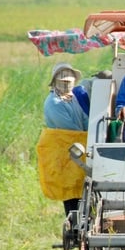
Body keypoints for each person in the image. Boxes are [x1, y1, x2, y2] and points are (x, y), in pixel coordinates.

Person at [37, 62, 90, 217]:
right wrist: (87, 135)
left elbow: (85, 120)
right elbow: (71, 130)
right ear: (55, 83)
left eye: (69, 82)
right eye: (63, 82)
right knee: (70, 190)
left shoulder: (74, 99)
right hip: (64, 151)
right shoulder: (53, 103)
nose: (66, 85)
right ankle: (74, 229)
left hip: (79, 149)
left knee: (81, 189)